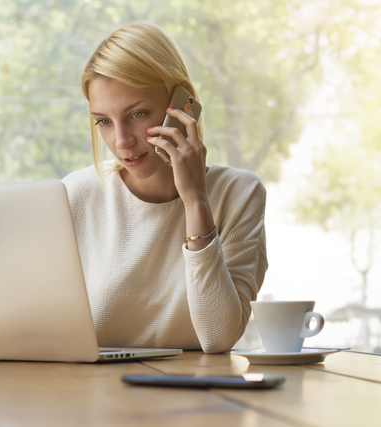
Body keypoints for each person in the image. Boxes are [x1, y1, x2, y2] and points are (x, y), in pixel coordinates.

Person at [61, 22, 268, 354]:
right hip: (94, 397)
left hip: (197, 397)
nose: (121, 140)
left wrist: (195, 201)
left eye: (138, 114)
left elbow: (218, 337)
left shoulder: (239, 194)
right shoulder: (75, 194)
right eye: (103, 121)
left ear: (183, 105)